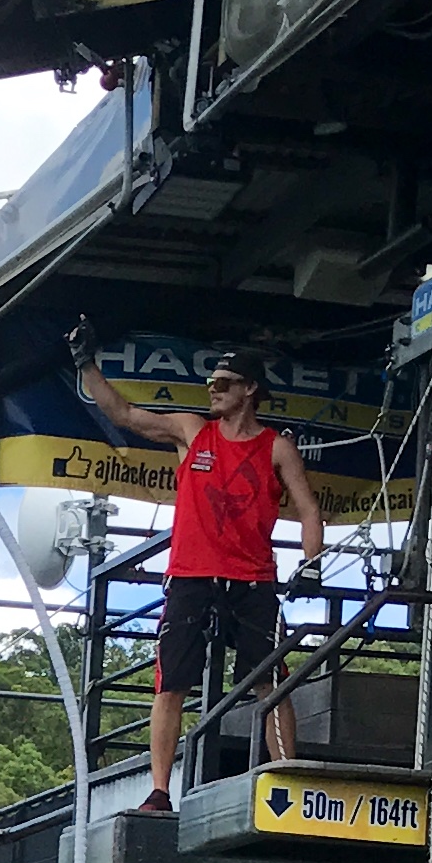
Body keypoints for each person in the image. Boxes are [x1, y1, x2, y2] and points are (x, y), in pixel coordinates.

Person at [72, 330, 327, 816]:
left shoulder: (276, 447)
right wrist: (86, 364)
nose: (214, 390)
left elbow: (309, 510)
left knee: (270, 680)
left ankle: (287, 774)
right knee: (171, 683)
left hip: (252, 579)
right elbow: (125, 415)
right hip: (191, 576)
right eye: (211, 383)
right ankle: (159, 791)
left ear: (249, 389)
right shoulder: (193, 430)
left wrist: (311, 565)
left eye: (224, 383)